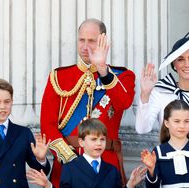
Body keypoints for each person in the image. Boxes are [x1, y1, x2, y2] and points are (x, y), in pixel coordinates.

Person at [40, 18, 135, 186]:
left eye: (91, 41)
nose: (85, 46)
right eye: (81, 40)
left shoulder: (122, 76)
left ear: (103, 41)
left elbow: (123, 103)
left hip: (106, 164)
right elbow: (47, 125)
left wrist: (103, 70)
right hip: (67, 164)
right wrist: (70, 159)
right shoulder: (59, 77)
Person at [135, 26, 189, 186]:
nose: (186, 64)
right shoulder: (160, 92)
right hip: (167, 173)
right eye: (180, 59)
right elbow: (142, 128)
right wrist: (145, 94)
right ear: (174, 64)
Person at [27, 118, 147, 188]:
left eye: (102, 140)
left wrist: (130, 184)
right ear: (81, 142)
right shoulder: (70, 168)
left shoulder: (112, 170)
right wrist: (48, 185)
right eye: (94, 139)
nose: (99, 144)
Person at [141, 99, 189, 188]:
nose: (182, 126)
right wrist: (151, 170)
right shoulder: (158, 152)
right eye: (177, 121)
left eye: (186, 121)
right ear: (167, 123)